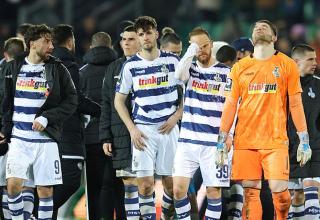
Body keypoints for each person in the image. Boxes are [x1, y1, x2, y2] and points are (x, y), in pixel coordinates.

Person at [217, 20, 312, 220]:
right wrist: (222, 139)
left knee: (281, 196)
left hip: (276, 141)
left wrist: (304, 140)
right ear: (252, 38)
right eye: (256, 27)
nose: (259, 28)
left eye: (265, 27)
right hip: (245, 142)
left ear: (275, 37)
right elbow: (230, 105)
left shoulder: (287, 65)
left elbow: (295, 104)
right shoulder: (239, 68)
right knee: (250, 194)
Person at [0, 24, 78, 220]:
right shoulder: (14, 67)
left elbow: (72, 100)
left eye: (51, 41)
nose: (51, 45)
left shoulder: (57, 68)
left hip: (46, 140)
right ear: (32, 43)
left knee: (45, 191)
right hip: (19, 139)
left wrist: (47, 117)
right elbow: (4, 99)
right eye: (46, 41)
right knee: (13, 185)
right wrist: (3, 127)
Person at [114, 16, 182, 219]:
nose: (145, 38)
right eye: (141, 34)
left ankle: (166, 217)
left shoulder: (172, 61)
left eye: (148, 33)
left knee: (171, 187)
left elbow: (189, 93)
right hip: (144, 131)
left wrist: (177, 116)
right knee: (144, 186)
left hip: (169, 129)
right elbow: (119, 101)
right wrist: (132, 129)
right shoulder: (130, 66)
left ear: (157, 34)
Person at [172, 26, 231, 220]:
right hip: (187, 142)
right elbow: (178, 75)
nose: (202, 50)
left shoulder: (226, 73)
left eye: (205, 45)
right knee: (178, 191)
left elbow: (234, 107)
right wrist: (191, 51)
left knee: (214, 193)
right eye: (197, 47)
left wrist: (230, 135)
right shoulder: (190, 69)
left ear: (212, 45)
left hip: (215, 144)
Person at [51, 24, 100, 219]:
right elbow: (76, 100)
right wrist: (101, 111)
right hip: (67, 136)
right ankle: (36, 211)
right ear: (70, 42)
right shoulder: (67, 65)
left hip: (49, 135)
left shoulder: (45, 65)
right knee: (69, 182)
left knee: (49, 186)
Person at [100, 24, 140, 220]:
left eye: (131, 38)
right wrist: (105, 136)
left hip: (146, 133)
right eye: (123, 39)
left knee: (146, 183)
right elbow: (106, 104)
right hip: (121, 135)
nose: (126, 42)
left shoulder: (149, 66)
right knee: (129, 182)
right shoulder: (114, 67)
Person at [79, 31, 118, 219]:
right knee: (114, 185)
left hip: (91, 137)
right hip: (116, 137)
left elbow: (77, 105)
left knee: (93, 186)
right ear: (111, 47)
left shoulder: (82, 73)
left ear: (91, 47)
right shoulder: (119, 69)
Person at [288, 44, 320, 220]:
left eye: (315, 58)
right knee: (296, 196)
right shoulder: (283, 86)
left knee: (312, 189)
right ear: (296, 62)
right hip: (289, 148)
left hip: (315, 146)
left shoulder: (318, 85)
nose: (315, 62)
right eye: (310, 59)